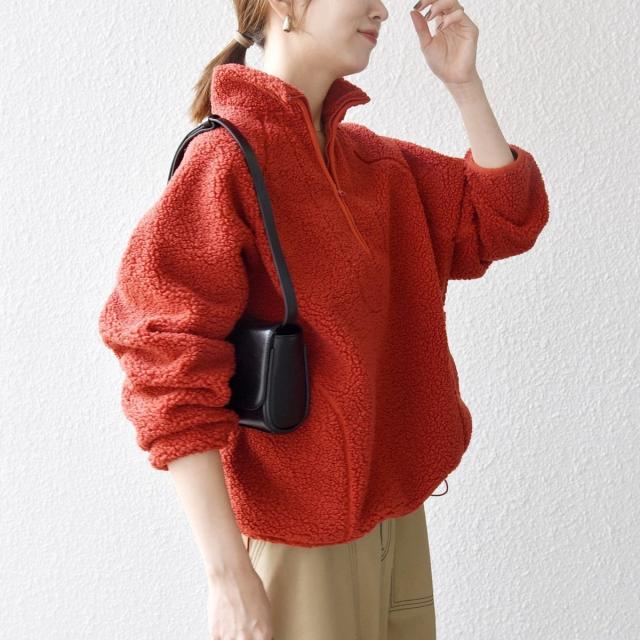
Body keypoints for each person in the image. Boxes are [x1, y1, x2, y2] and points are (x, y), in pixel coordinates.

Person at [98, 1, 550, 639]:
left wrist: (464, 84)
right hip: (297, 541)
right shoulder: (225, 163)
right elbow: (164, 360)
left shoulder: (373, 164)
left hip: (395, 520)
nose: (382, 9)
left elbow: (504, 219)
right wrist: (227, 575)